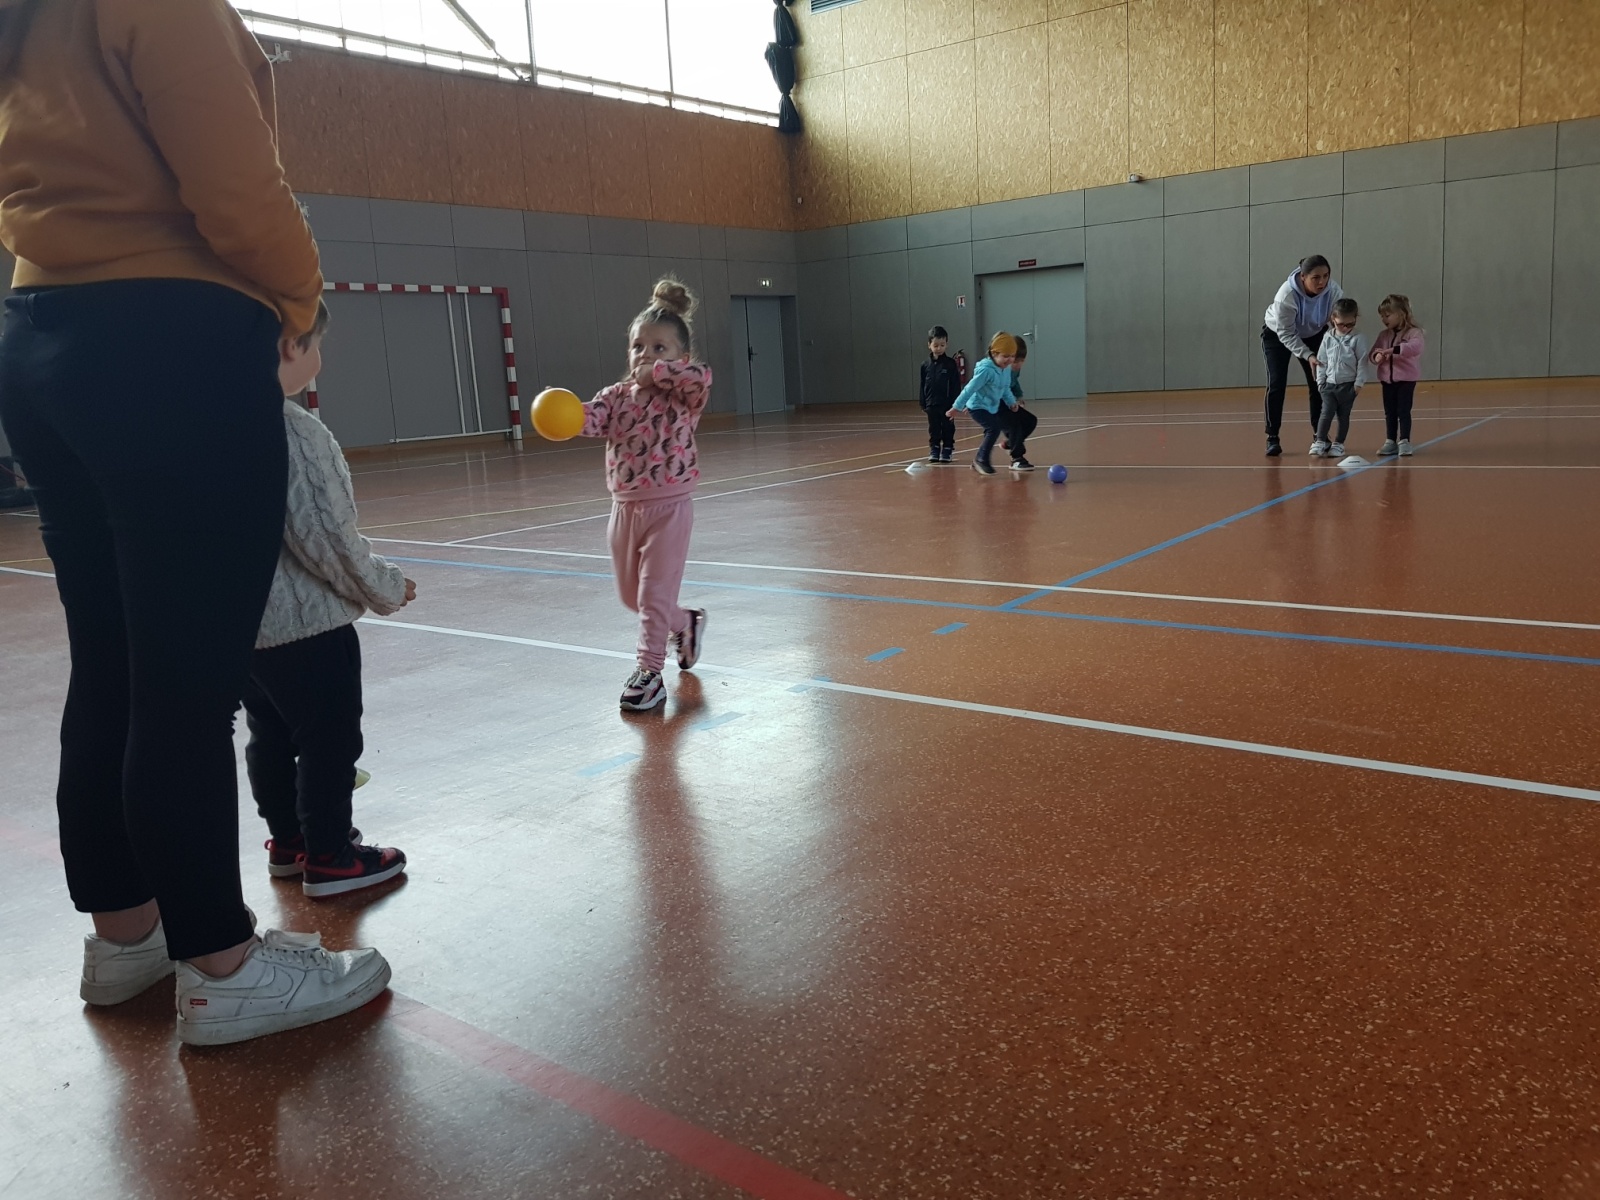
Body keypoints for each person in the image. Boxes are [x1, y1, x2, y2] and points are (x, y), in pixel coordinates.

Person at [0, 0, 389, 1045]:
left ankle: (126, 938)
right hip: (167, 337)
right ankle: (222, 965)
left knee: (113, 666)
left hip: (41, 335)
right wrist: (298, 302)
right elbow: (236, 185)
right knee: (187, 685)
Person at [244, 301, 411, 898]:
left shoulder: (213, 423)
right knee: (330, 740)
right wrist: (386, 586)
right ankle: (331, 856)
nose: (318, 358)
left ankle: (290, 841)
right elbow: (328, 538)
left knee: (269, 735)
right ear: (292, 345)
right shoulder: (293, 431)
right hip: (307, 628)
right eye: (316, 345)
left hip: (247, 632)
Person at [581, 278, 712, 713]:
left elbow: (701, 377)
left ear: (680, 358)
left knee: (653, 596)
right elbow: (590, 419)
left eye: (659, 348)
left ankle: (649, 674)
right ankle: (685, 623)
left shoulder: (686, 394)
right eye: (639, 347)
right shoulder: (616, 397)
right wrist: (560, 414)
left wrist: (656, 372)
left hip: (670, 507)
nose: (646, 355)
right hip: (624, 508)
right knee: (632, 598)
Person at [1262, 254, 1343, 457]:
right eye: (1316, 278)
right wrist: (1308, 355)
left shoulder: (1333, 291)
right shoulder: (1286, 295)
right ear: (1303, 277)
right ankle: (1272, 437)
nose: (1322, 282)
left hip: (1314, 333)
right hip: (1278, 335)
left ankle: (1320, 435)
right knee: (1277, 383)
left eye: (1326, 276)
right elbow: (1286, 334)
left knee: (1318, 383)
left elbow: (1338, 321)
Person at [947, 332, 1026, 476]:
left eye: (1012, 356)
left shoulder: (1005, 369)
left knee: (993, 429)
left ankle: (978, 461)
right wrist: (956, 407)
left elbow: (1005, 388)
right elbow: (970, 388)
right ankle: (981, 459)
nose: (1009, 360)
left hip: (991, 407)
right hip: (977, 406)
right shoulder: (986, 370)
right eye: (1005, 356)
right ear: (994, 353)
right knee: (993, 429)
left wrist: (1011, 402)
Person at [1310, 298, 1368, 458]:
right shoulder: (1328, 337)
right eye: (1341, 324)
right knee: (1326, 413)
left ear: (1355, 319)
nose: (1346, 328)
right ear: (1333, 319)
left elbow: (1362, 362)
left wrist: (1358, 384)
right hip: (1329, 385)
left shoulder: (1358, 338)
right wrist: (1320, 382)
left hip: (1348, 386)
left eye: (1350, 324)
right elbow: (1322, 360)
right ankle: (1320, 441)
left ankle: (1339, 443)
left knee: (1343, 416)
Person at [1370, 293, 1425, 457]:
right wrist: (1377, 357)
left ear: (1401, 314)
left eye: (1387, 315)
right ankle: (1390, 441)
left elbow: (1414, 348)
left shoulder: (1414, 333)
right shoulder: (1383, 335)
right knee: (1390, 411)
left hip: (1406, 380)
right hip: (1387, 381)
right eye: (1382, 316)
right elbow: (1374, 352)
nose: (1383, 319)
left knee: (1403, 411)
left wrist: (1391, 351)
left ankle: (1404, 441)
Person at [919, 325, 961, 463]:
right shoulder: (925, 365)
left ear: (946, 344)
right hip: (931, 403)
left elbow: (955, 385)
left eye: (942, 345)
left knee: (948, 427)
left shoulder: (950, 364)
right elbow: (922, 385)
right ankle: (935, 448)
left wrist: (956, 403)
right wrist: (923, 401)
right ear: (929, 345)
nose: (939, 348)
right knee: (934, 428)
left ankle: (947, 448)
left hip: (947, 404)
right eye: (936, 345)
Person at [998, 335, 1040, 468]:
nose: (1017, 365)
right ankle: (1017, 458)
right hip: (997, 404)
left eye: (1020, 361)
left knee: (1030, 421)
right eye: (1014, 361)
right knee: (1014, 424)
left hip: (1009, 403)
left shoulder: (1015, 371)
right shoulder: (1002, 370)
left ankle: (1010, 443)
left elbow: (1014, 383)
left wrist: (1019, 396)